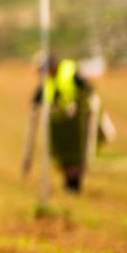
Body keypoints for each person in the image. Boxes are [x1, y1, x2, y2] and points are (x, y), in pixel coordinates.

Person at [24, 55, 107, 193]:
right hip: (61, 125)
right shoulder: (48, 81)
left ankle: (74, 183)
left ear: (51, 66)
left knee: (77, 155)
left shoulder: (69, 71)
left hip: (76, 123)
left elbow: (87, 90)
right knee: (65, 156)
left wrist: (77, 106)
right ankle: (69, 182)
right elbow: (38, 97)